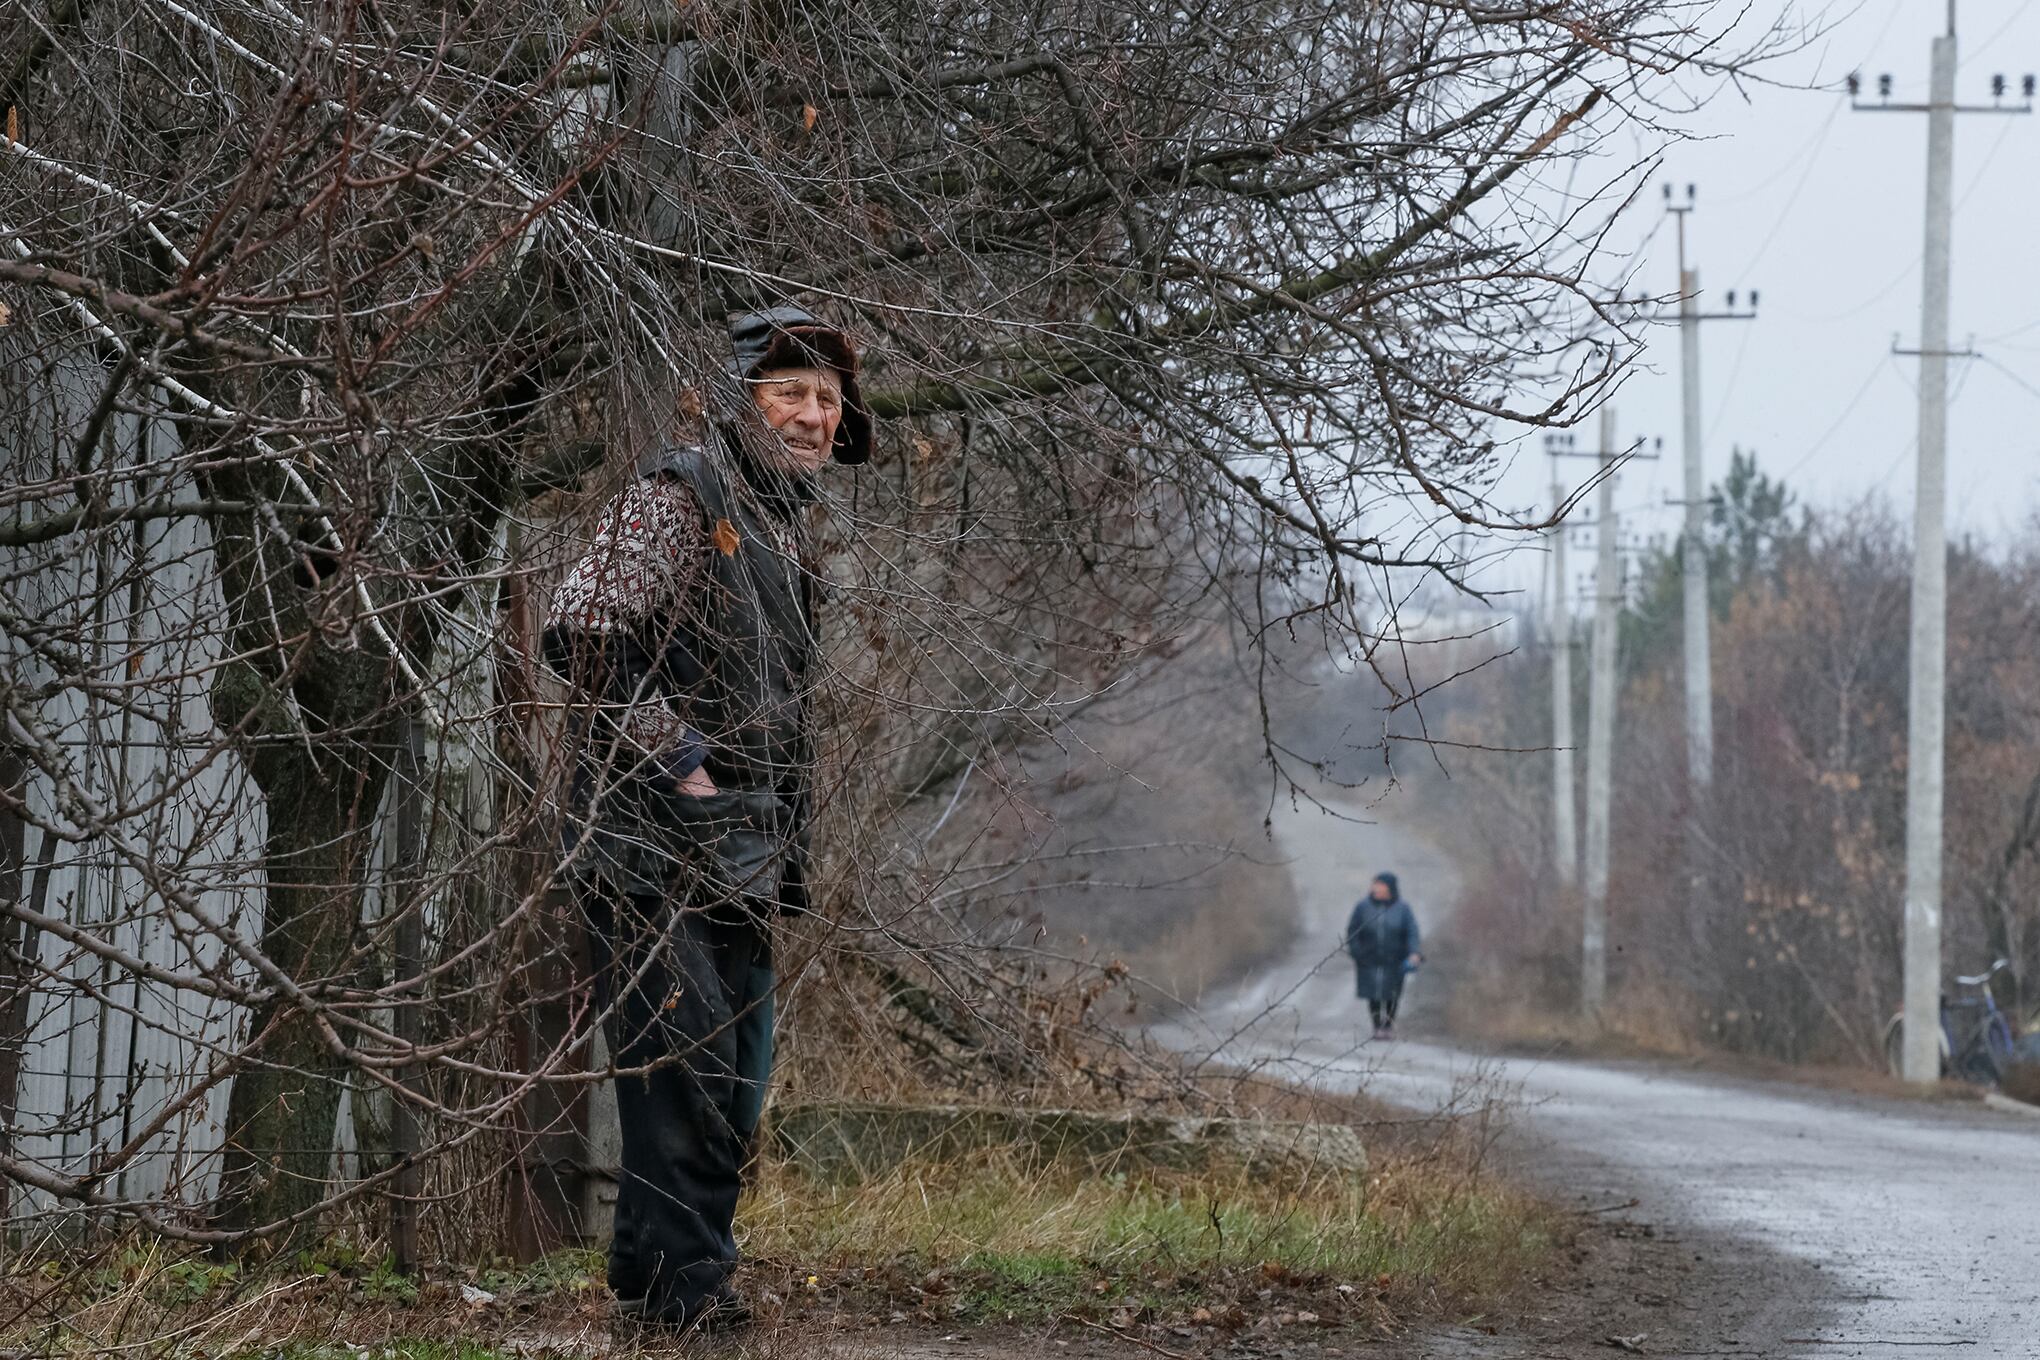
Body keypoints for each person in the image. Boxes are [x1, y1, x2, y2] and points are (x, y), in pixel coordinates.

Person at [543, 306, 872, 1332]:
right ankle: (694, 1300)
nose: (814, 415)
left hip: (743, 850)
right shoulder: (681, 493)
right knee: (687, 1077)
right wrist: (679, 760)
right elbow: (583, 626)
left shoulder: (783, 527)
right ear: (743, 401)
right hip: (651, 846)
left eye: (827, 398)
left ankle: (649, 1287)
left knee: (729, 1083)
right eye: (791, 393)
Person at [1345, 872, 1421, 1039]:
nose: (1375, 888)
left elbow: (1412, 932)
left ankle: (1388, 1026)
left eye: (1380, 885)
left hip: (1395, 959)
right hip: (1369, 958)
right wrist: (1356, 951)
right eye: (1375, 884)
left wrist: (1414, 953)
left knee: (1392, 994)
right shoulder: (1363, 907)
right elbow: (1353, 931)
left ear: (1390, 888)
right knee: (1373, 993)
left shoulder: (1403, 909)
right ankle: (1377, 1026)